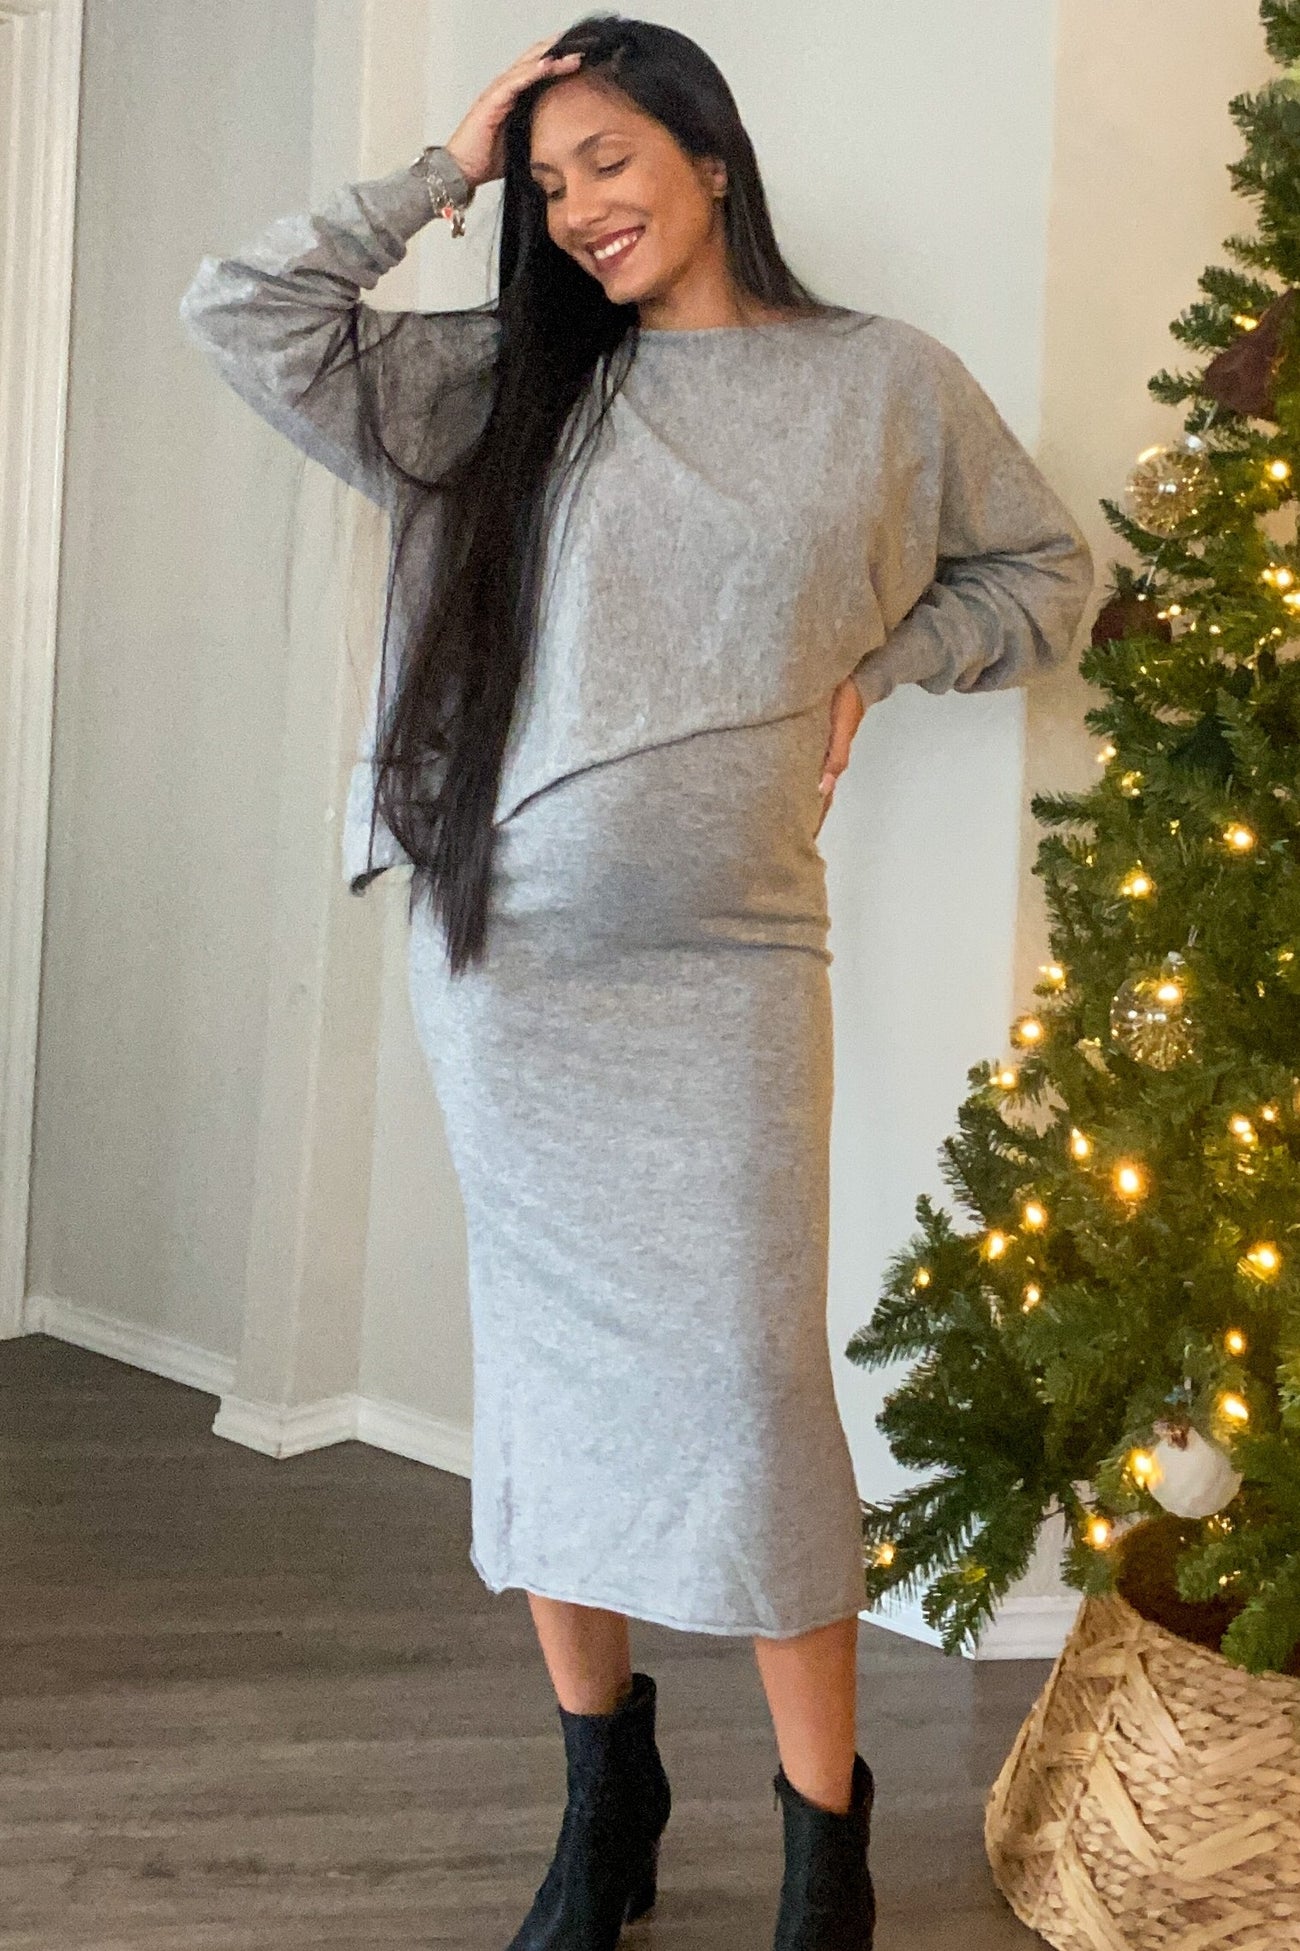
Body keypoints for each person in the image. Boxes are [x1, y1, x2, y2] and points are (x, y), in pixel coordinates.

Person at [179, 15, 1094, 1948]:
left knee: (755, 1404)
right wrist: (447, 167)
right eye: (549, 178)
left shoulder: (882, 385)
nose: (580, 204)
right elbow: (244, 311)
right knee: (550, 1396)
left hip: (731, 968)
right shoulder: (499, 384)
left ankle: (826, 1844)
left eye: (609, 156)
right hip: (506, 977)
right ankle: (604, 1803)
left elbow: (1042, 577)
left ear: (710, 154)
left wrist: (882, 664)